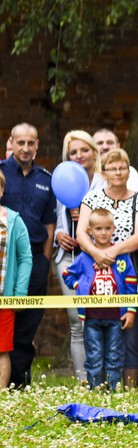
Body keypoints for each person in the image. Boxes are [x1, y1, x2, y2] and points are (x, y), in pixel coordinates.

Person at [77, 148, 138, 388]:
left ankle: (127, 387)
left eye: (122, 167)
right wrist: (97, 254)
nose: (118, 172)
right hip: (94, 265)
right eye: (112, 168)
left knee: (127, 327)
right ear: (103, 171)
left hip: (127, 265)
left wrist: (112, 252)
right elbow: (81, 233)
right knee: (96, 329)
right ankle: (96, 385)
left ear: (129, 170)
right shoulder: (92, 197)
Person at [0, 123, 56, 387]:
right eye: (20, 142)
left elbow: (49, 224)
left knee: (27, 325)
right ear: (11, 142)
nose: (25, 148)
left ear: (37, 145)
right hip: (5, 261)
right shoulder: (0, 173)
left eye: (30, 143)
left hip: (34, 260)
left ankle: (19, 384)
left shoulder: (46, 180)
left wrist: (44, 261)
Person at [62, 208, 137, 390]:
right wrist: (79, 285)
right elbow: (67, 274)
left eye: (107, 228)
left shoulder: (121, 255)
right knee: (94, 355)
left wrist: (131, 310)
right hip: (91, 317)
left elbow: (131, 282)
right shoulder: (84, 257)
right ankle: (95, 391)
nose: (103, 232)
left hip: (115, 317)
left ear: (114, 229)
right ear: (90, 231)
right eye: (98, 228)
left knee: (114, 355)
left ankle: (113, 391)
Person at [54, 130, 104, 381]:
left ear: (94, 152)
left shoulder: (104, 183)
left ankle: (102, 378)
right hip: (68, 258)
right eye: (73, 152)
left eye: (84, 150)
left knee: (98, 320)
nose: (79, 155)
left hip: (98, 260)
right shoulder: (63, 178)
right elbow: (56, 218)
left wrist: (86, 217)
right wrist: (59, 235)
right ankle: (83, 380)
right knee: (77, 321)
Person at [0, 169, 33, 389]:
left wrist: (19, 294)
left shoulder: (13, 220)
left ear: (1, 190)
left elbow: (25, 257)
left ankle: (1, 395)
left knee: (1, 348)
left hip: (4, 297)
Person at [91, 129, 138, 193]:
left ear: (118, 146)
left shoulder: (130, 173)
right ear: (93, 148)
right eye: (100, 143)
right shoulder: (88, 175)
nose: (105, 147)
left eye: (110, 143)